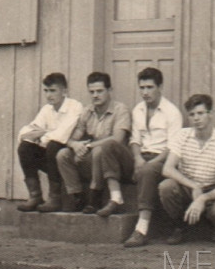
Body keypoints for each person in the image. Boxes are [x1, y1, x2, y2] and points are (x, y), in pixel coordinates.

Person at [158, 94, 215, 244]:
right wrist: (193, 186)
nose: (196, 118)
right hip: (187, 188)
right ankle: (179, 226)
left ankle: (214, 227)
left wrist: (203, 198)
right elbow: (167, 169)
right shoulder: (182, 136)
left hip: (210, 191)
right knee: (166, 187)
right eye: (192, 114)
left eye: (200, 113)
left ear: (210, 114)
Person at [56, 72, 133, 215]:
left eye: (99, 91)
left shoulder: (120, 110)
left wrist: (89, 146)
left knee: (100, 149)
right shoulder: (87, 111)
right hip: (94, 161)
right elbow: (73, 137)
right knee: (63, 155)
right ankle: (77, 196)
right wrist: (75, 145)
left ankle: (95, 196)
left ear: (109, 90)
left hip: (117, 163)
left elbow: (118, 139)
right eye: (91, 92)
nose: (95, 95)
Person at [122, 67, 183, 248]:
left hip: (161, 160)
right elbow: (134, 140)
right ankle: (110, 198)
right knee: (111, 149)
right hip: (142, 157)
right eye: (142, 88)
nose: (145, 92)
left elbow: (173, 148)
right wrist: (137, 159)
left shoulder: (172, 112)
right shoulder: (138, 109)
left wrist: (148, 163)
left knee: (147, 170)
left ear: (160, 87)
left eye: (149, 87)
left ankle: (141, 229)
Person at [16, 73, 83, 213]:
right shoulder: (47, 109)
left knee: (54, 144)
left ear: (64, 91)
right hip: (50, 155)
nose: (48, 95)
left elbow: (61, 136)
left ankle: (55, 198)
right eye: (46, 91)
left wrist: (41, 135)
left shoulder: (75, 106)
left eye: (53, 90)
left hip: (67, 156)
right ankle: (35, 196)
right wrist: (42, 135)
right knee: (25, 148)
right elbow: (25, 133)